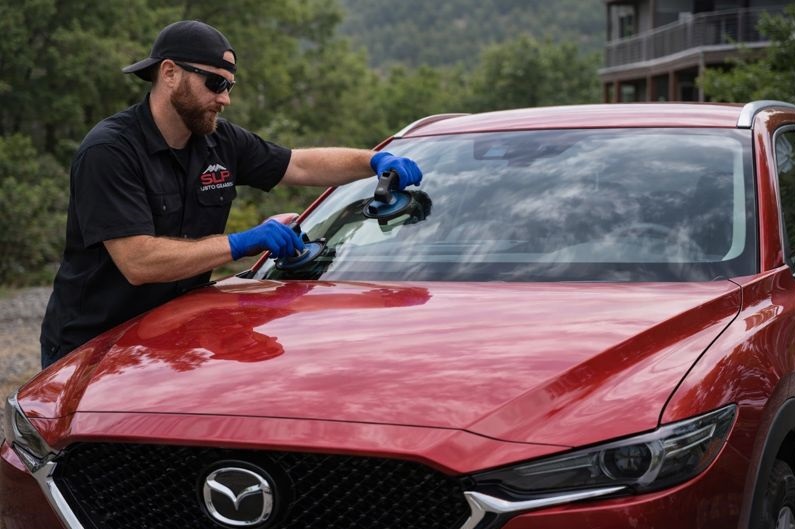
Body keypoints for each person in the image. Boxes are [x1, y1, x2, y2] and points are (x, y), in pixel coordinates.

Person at [39, 20, 422, 368]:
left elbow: (299, 164)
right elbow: (139, 263)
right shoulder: (110, 151)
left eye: (230, 86)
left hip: (174, 339)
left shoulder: (219, 141)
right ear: (170, 73)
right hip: (94, 347)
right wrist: (241, 242)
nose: (225, 99)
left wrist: (373, 161)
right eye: (216, 84)